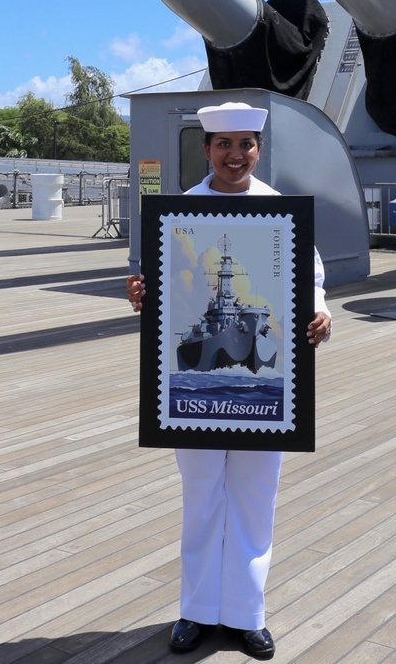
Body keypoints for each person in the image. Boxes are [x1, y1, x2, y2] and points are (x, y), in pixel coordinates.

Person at [126, 101, 331, 660]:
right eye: (224, 145)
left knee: (255, 496)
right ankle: (195, 610)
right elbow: (164, 283)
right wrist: (144, 295)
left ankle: (247, 614)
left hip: (271, 391)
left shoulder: (280, 210)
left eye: (246, 145)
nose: (235, 156)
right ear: (207, 149)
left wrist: (320, 309)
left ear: (258, 150)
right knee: (202, 496)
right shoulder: (181, 212)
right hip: (191, 394)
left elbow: (309, 272)